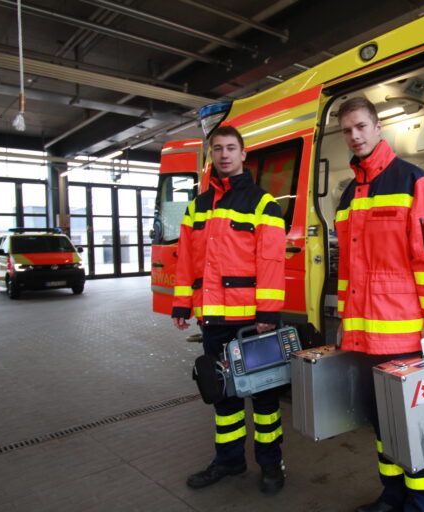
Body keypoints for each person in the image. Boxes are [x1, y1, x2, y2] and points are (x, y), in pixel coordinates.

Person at [334, 97, 424, 512]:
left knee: (410, 423)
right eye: (348, 130)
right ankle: (391, 496)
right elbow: (347, 271)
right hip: (365, 335)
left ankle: (422, 505)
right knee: (381, 421)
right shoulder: (349, 195)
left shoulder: (412, 181)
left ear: (378, 127)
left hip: (403, 331)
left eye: (362, 126)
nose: (355, 136)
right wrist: (345, 321)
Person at [171, 125, 287, 493]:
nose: (224, 155)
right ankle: (229, 461)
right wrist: (181, 303)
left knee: (265, 399)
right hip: (214, 322)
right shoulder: (196, 207)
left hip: (254, 324)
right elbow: (186, 260)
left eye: (230, 148)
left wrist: (268, 314)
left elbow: (271, 263)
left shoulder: (263, 203)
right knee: (223, 396)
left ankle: (271, 465)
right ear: (211, 156)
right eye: (217, 149)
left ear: (243, 154)